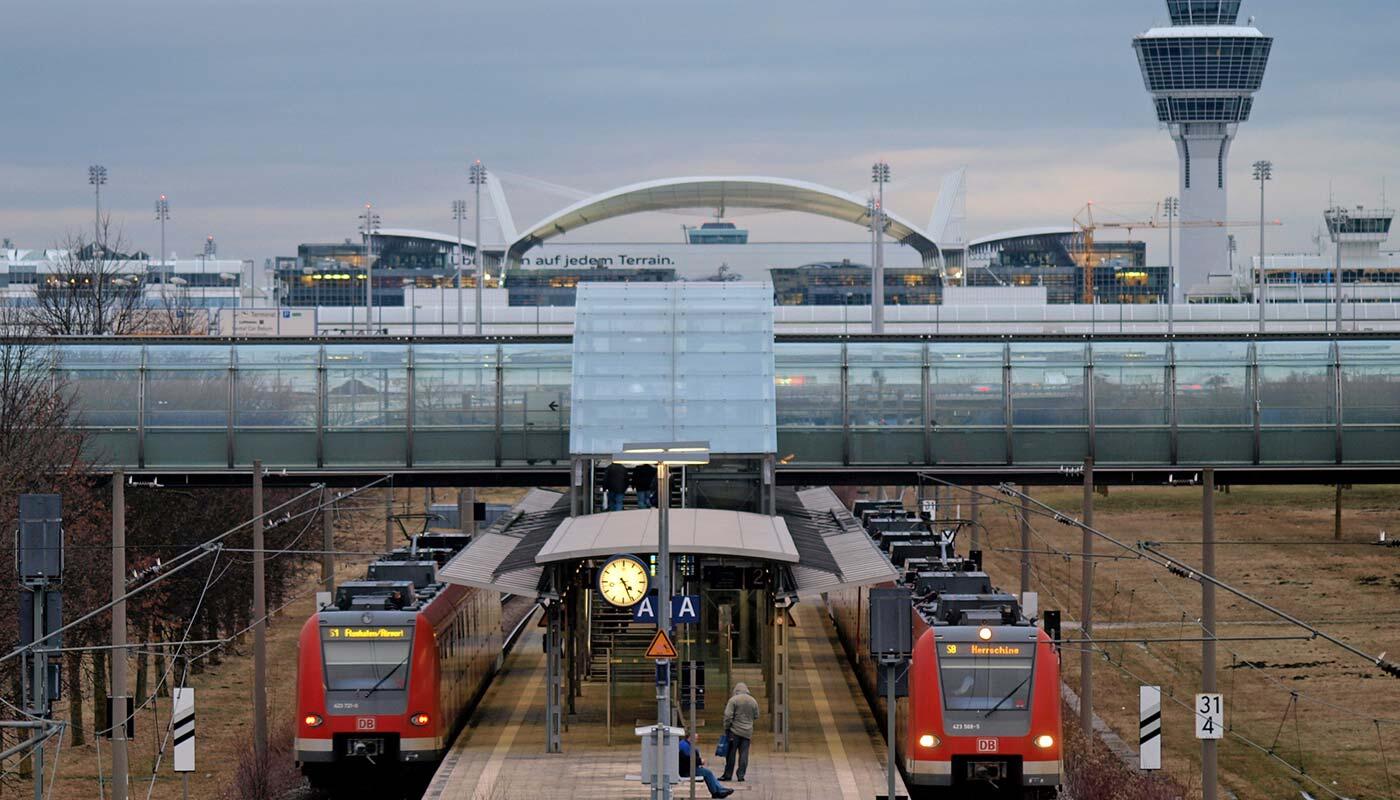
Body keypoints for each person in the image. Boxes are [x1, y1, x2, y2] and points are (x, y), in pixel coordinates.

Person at [720, 682, 760, 782]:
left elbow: (728, 716)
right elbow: (756, 715)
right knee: (744, 754)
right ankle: (741, 775)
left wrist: (727, 728)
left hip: (734, 731)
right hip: (747, 732)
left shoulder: (733, 700)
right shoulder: (753, 701)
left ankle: (728, 775)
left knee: (731, 754)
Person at [678, 732, 733, 798]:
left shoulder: (685, 744)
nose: (696, 740)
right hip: (687, 771)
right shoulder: (685, 746)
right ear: (690, 737)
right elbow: (689, 760)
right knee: (707, 773)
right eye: (695, 738)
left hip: (688, 768)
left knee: (707, 772)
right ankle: (717, 792)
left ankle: (719, 790)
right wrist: (700, 761)